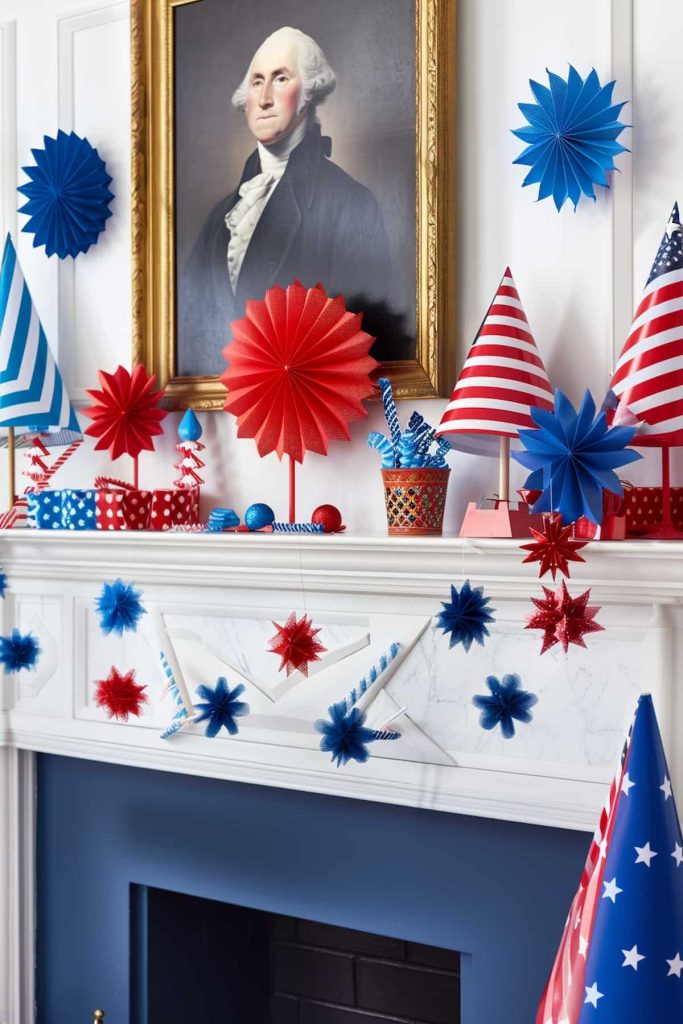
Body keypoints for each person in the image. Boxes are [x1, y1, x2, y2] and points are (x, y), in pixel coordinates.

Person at [178, 26, 394, 376]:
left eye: (280, 79)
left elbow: (370, 344)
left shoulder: (351, 204)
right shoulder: (221, 218)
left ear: (308, 93)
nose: (264, 98)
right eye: (256, 81)